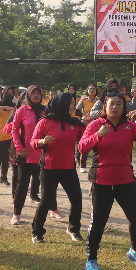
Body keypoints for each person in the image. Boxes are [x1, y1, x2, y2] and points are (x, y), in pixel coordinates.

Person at [78, 92, 136, 270]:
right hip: (101, 181)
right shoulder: (96, 125)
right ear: (105, 106)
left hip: (125, 180)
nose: (115, 107)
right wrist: (97, 135)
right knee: (98, 222)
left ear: (124, 107)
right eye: (111, 103)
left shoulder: (129, 126)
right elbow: (82, 147)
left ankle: (135, 251)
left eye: (119, 104)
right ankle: (91, 259)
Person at [29, 93, 85, 243]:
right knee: (46, 201)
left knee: (77, 199)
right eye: (71, 103)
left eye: (75, 103)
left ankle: (73, 229)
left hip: (68, 168)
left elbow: (86, 139)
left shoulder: (76, 123)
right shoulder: (45, 121)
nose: (73, 106)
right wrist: (42, 141)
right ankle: (37, 232)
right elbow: (33, 142)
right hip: (49, 167)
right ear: (62, 104)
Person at [9, 84, 51, 226]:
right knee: (22, 184)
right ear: (28, 95)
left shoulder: (45, 111)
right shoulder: (22, 110)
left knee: (45, 185)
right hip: (25, 153)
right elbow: (14, 130)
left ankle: (50, 211)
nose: (36, 95)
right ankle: (16, 213)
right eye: (33, 93)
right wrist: (19, 148)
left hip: (42, 154)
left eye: (39, 93)